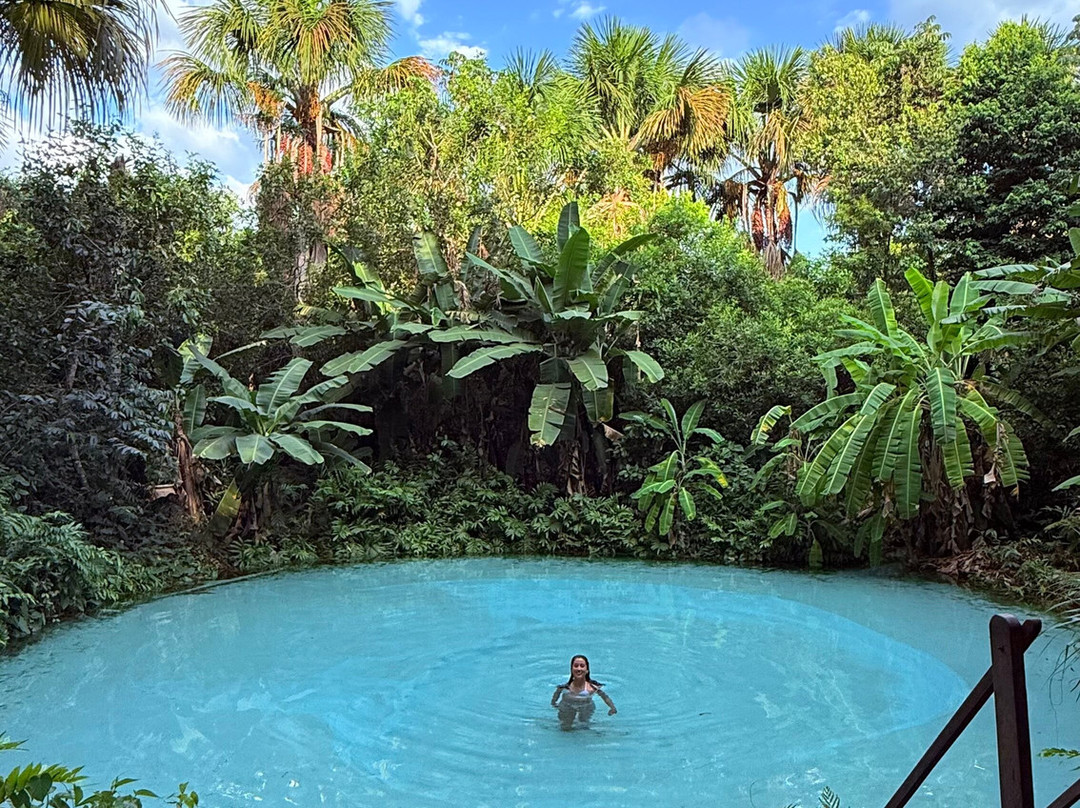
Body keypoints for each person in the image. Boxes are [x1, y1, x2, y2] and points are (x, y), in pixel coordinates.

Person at [550, 654, 616, 730]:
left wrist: (612, 708)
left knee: (583, 725)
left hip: (586, 706)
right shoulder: (564, 688)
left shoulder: (592, 688)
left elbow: (605, 697)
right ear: (571, 669)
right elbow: (556, 695)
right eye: (576, 666)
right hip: (567, 706)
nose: (579, 669)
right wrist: (554, 704)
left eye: (582, 666)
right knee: (565, 727)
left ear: (587, 670)